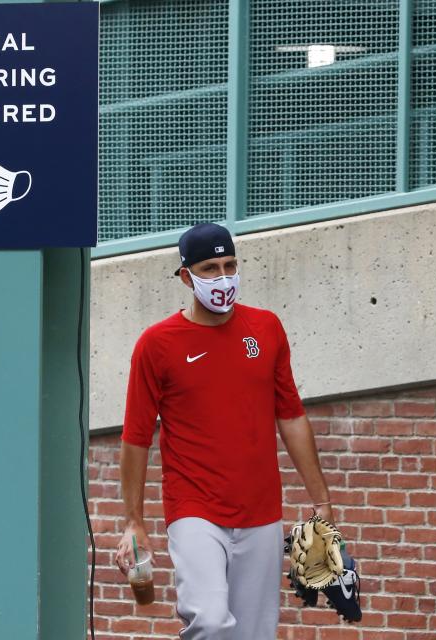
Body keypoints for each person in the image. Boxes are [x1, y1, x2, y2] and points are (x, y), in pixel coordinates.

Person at [115, 223, 339, 639]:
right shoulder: (157, 344)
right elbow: (136, 436)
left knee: (253, 634)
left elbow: (290, 416)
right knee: (211, 621)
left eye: (230, 264)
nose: (223, 277)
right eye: (210, 268)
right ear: (186, 276)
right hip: (194, 508)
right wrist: (134, 521)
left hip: (261, 511)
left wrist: (321, 501)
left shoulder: (266, 328)